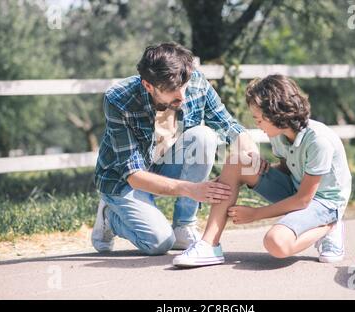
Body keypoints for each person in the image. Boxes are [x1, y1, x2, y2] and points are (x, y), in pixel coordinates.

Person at [92, 42, 258, 255]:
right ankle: (110, 217)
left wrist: (251, 154)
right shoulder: (119, 99)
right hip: (123, 179)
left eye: (184, 86)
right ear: (148, 86)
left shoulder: (195, 82)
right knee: (158, 243)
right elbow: (134, 176)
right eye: (172, 90)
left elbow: (229, 127)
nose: (183, 96)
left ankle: (184, 225)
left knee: (204, 136)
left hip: (165, 165)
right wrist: (191, 189)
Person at [173, 74, 352, 267]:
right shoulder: (280, 133)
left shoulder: (318, 141)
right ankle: (209, 245)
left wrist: (255, 214)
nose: (257, 124)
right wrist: (240, 176)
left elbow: (303, 200)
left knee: (275, 243)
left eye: (259, 119)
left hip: (324, 202)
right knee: (237, 162)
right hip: (297, 188)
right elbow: (288, 169)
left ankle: (329, 227)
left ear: (276, 114)